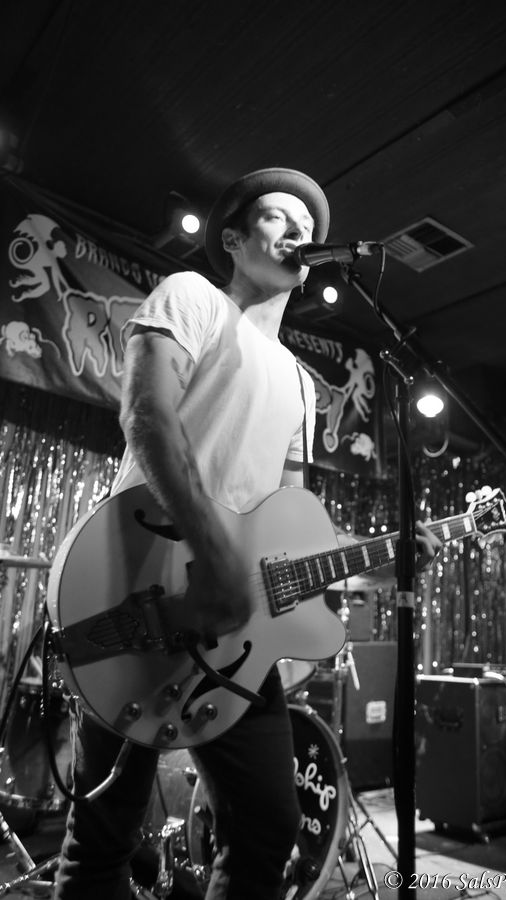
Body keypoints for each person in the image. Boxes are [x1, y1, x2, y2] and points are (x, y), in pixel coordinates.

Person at [53, 167, 442, 900]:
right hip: (140, 588)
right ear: (232, 239)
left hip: (229, 638)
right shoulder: (192, 297)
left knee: (268, 825)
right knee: (104, 837)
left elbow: (284, 524)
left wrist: (380, 559)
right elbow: (147, 415)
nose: (298, 232)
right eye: (278, 217)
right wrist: (214, 550)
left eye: (307, 226)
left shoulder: (300, 382)